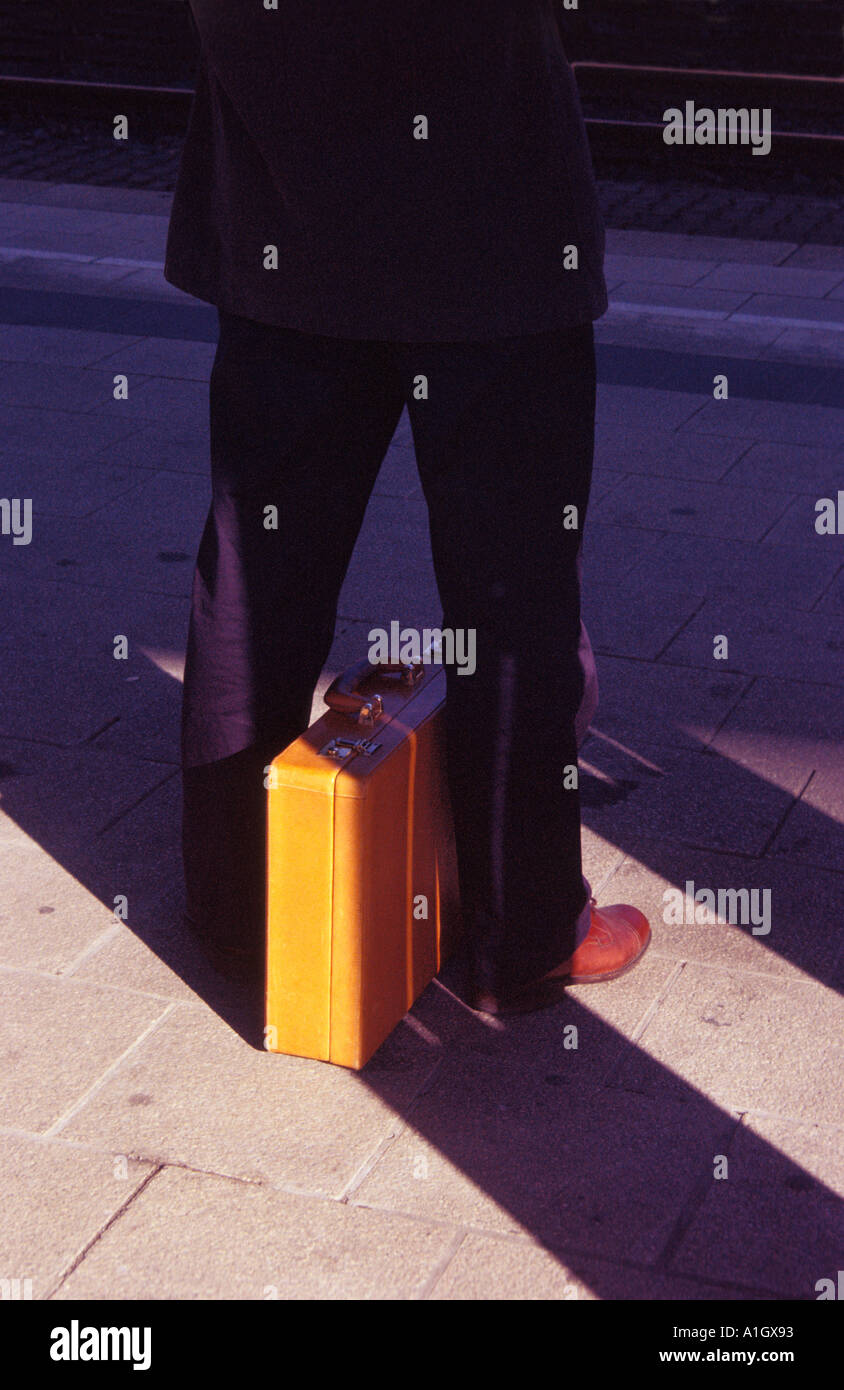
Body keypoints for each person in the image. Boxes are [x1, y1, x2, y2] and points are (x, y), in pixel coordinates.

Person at [164, 0, 650, 1016]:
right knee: (510, 588)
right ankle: (525, 931)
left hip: (281, 219)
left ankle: (237, 908)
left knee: (259, 571)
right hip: (492, 233)